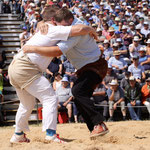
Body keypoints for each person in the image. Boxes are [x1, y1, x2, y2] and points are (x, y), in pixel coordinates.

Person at [8, 6, 97, 144]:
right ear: (54, 19)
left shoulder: (45, 27)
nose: (64, 21)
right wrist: (91, 30)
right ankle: (50, 134)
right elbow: (79, 29)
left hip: (15, 66)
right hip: (26, 67)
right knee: (50, 99)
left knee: (27, 104)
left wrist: (40, 23)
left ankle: (18, 135)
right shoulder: (54, 28)